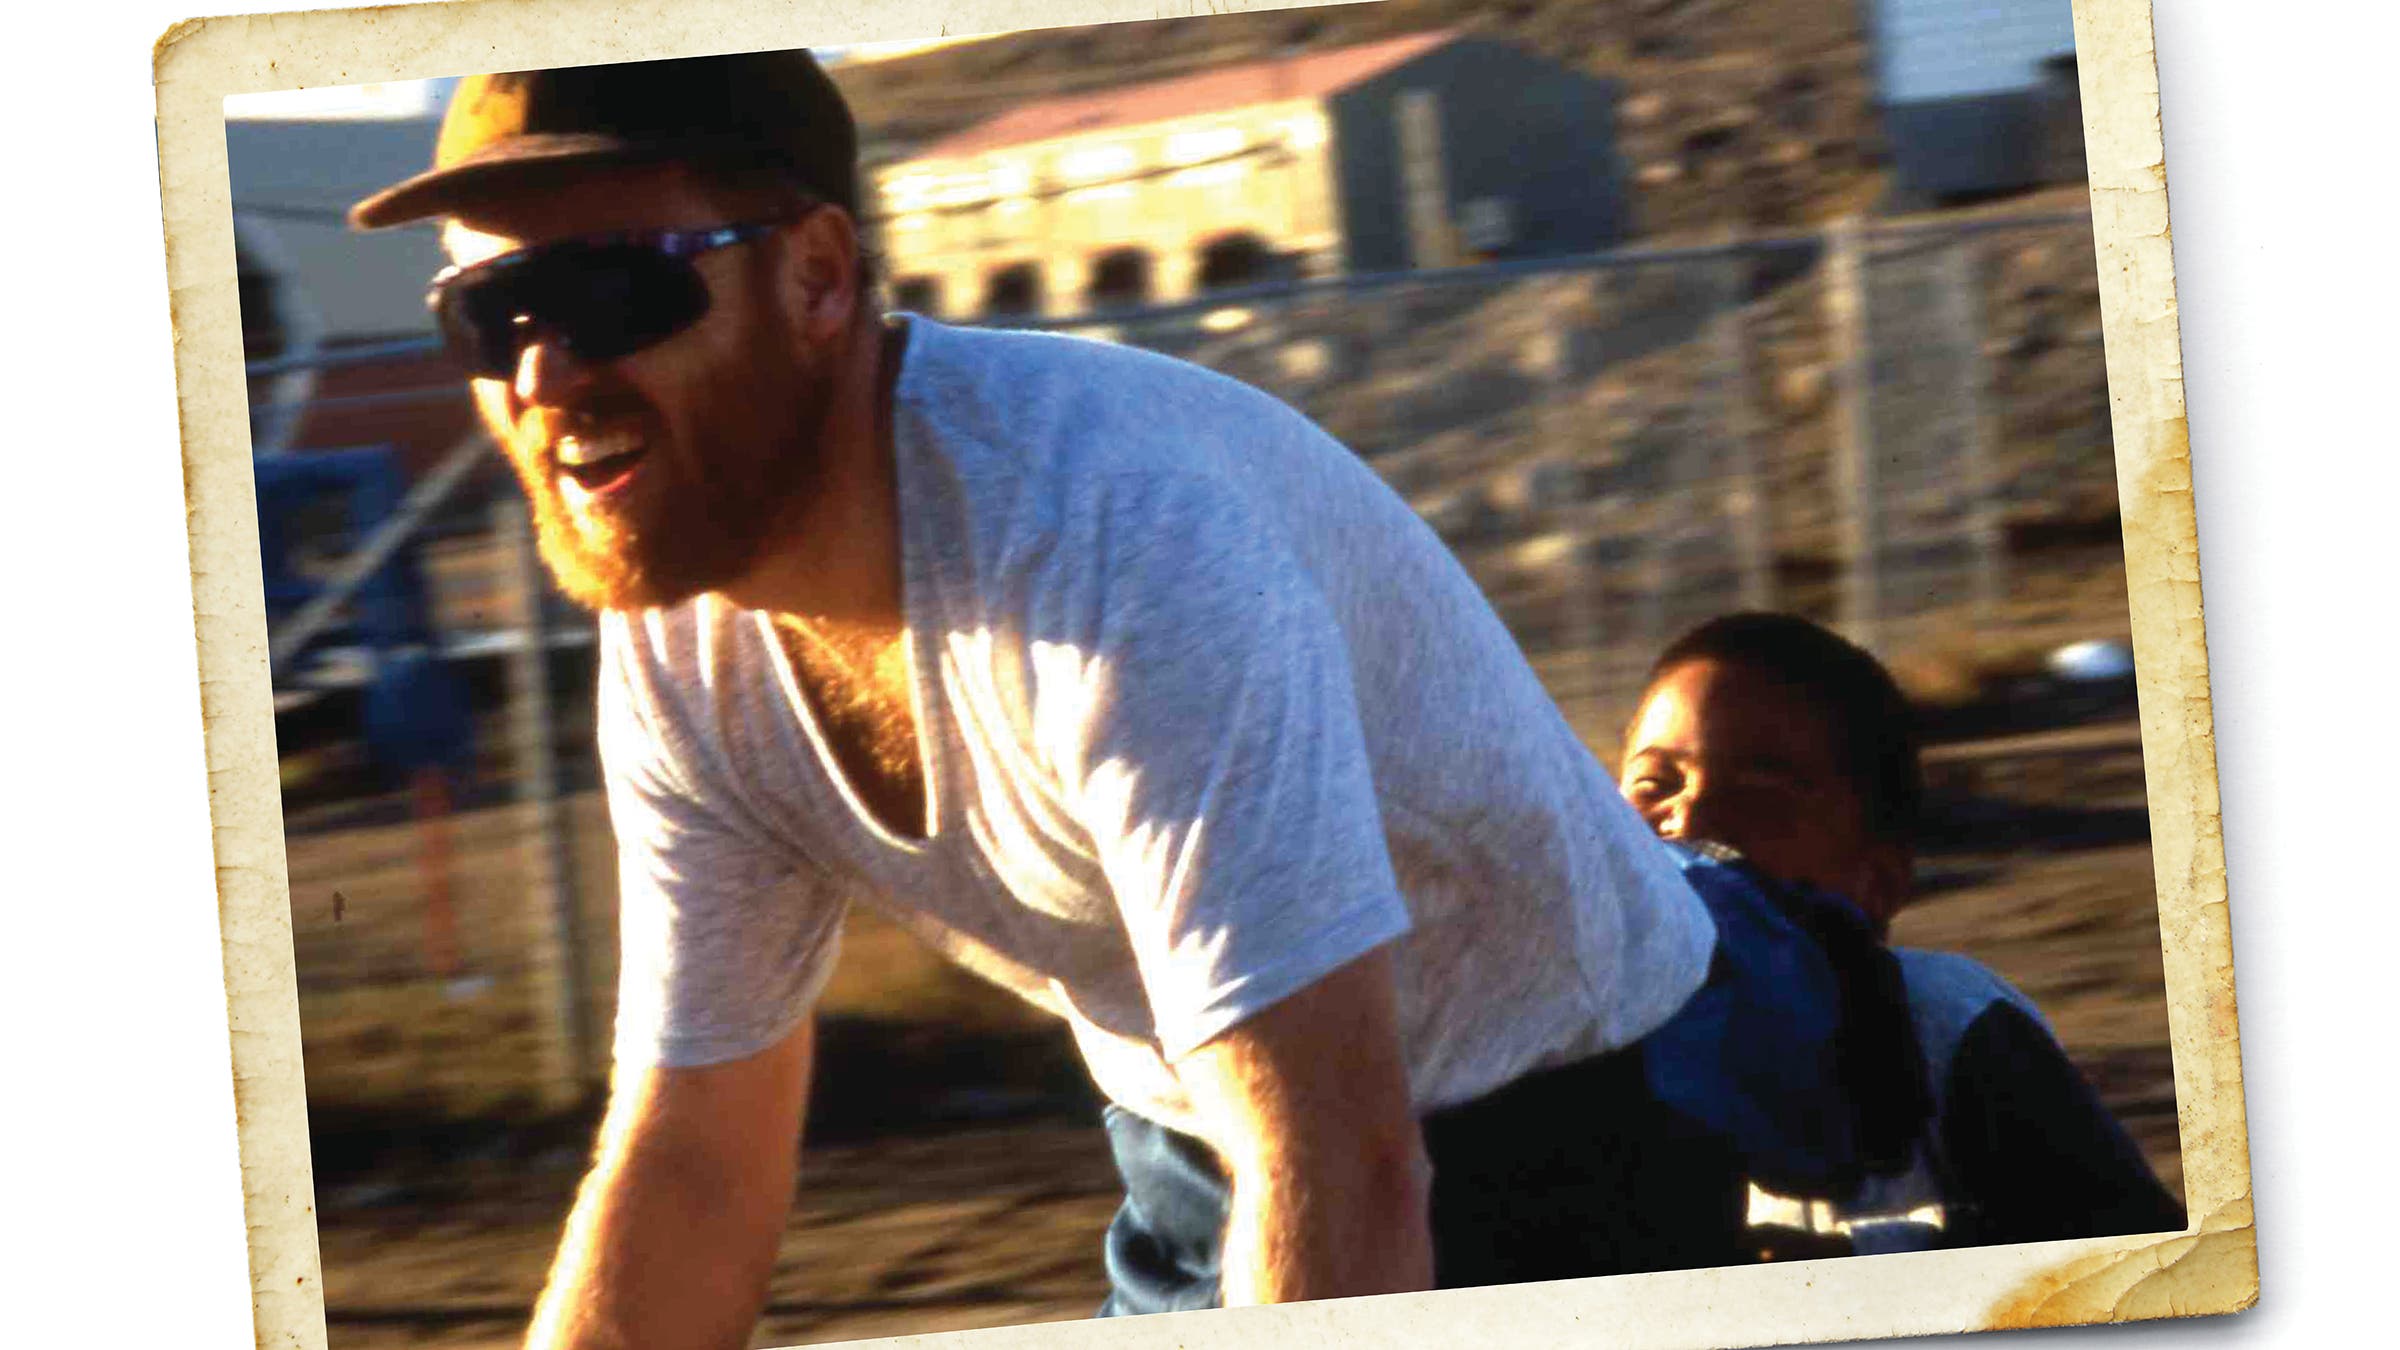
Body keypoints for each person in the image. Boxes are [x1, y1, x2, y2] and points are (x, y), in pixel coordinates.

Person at [352, 51, 1880, 1349]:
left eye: (610, 292)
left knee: (1780, 984)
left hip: (1570, 1084)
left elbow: (1348, 1160)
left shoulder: (1117, 536)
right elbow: (695, 1159)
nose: (541, 377)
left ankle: (1854, 989)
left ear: (818, 276)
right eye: (490, 314)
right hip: (1196, 1127)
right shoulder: (685, 623)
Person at [1617, 611, 2188, 1252]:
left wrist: (1864, 1260)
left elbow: (2132, 1252)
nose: (1691, 815)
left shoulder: (1940, 1020)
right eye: (1653, 785)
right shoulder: (1590, 1038)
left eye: (1760, 792)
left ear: (1877, 885)